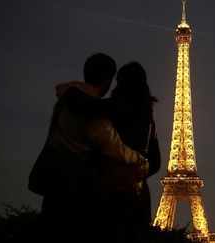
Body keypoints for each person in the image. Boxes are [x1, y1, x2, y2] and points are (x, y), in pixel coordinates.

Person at [28, 54, 148, 242]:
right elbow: (110, 145)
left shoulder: (67, 100)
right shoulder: (95, 111)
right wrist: (140, 160)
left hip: (54, 180)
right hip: (77, 185)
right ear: (108, 80)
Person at [58, 62, 161, 240]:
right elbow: (156, 163)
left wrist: (68, 90)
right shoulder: (148, 122)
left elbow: (81, 106)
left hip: (104, 195)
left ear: (118, 83)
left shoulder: (110, 108)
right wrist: (134, 172)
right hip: (136, 199)